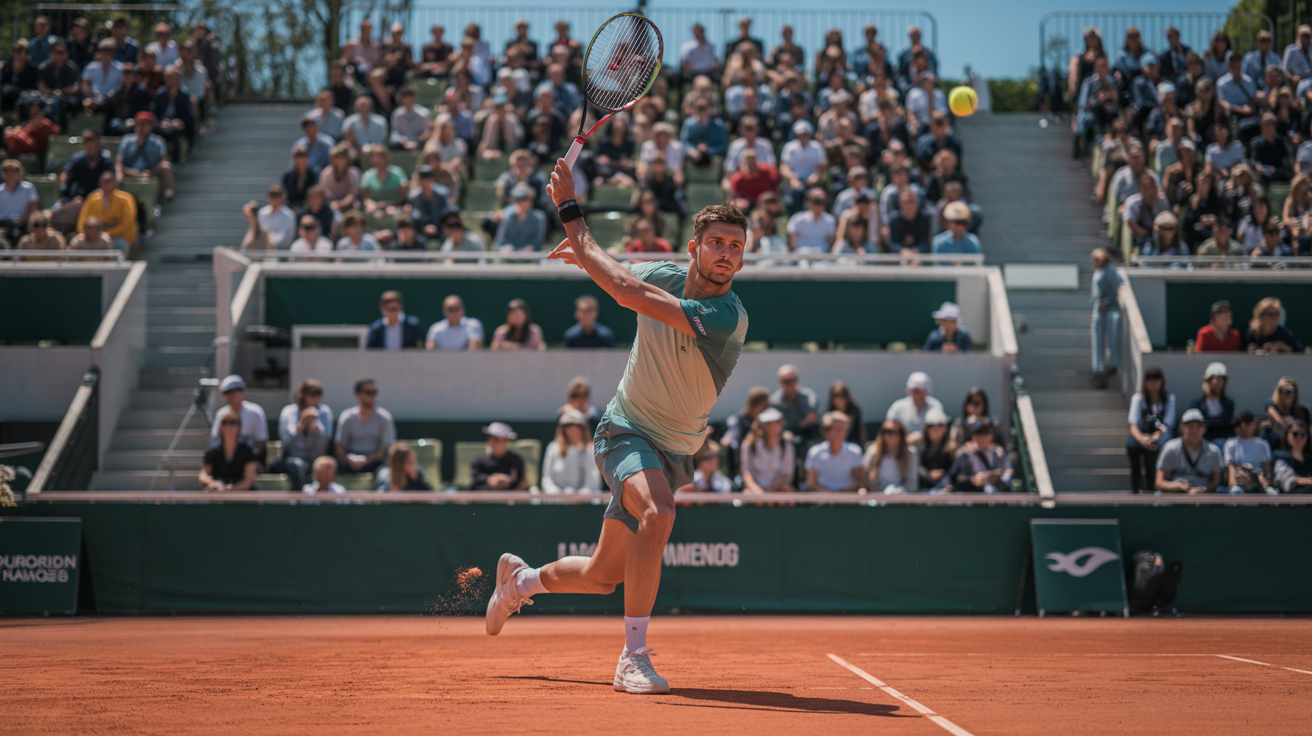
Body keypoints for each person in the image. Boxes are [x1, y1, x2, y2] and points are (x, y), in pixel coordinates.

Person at [485, 155, 750, 695]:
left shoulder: (728, 317)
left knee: (604, 577)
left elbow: (626, 290)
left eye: (736, 246)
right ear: (695, 247)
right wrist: (585, 252)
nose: (726, 253)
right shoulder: (662, 274)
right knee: (659, 513)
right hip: (624, 429)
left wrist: (572, 216)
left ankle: (520, 582)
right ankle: (633, 658)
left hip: (674, 449)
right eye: (718, 242)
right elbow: (620, 274)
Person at [272, 378, 333, 490]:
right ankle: (297, 504)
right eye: (312, 394)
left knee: (326, 467)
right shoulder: (289, 411)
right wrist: (301, 425)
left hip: (315, 460)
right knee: (297, 467)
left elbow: (324, 445)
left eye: (319, 394)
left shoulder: (324, 412)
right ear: (303, 395)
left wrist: (316, 430)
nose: (316, 397)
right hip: (291, 460)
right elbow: (286, 444)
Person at [1126, 366, 1176, 494]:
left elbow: (1168, 423)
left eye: (1156, 378)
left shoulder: (1169, 399)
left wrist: (1155, 436)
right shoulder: (1138, 398)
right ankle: (1135, 488)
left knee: (1155, 447)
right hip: (1142, 434)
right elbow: (1133, 424)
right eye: (1149, 378)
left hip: (1161, 434)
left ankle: (1151, 488)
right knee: (1132, 445)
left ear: (1162, 380)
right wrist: (1142, 438)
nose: (1152, 382)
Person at [334, 378, 395, 477]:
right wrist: (348, 460)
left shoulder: (384, 417)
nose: (372, 396)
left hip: (376, 464)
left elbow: (385, 448)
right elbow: (340, 446)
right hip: (349, 463)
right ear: (357, 394)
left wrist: (366, 460)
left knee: (385, 475)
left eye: (374, 392)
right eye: (368, 392)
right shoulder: (347, 417)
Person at [1154, 408, 1223, 493]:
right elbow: (1159, 482)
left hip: (1203, 492)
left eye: (1198, 426)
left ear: (1204, 428)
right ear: (1181, 428)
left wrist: (1203, 489)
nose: (1194, 430)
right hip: (1175, 492)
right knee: (1159, 496)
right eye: (1189, 426)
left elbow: (1216, 481)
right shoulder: (1170, 448)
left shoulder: (1214, 451)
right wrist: (1178, 486)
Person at [938, 419, 1012, 493]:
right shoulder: (965, 453)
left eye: (985, 432)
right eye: (978, 433)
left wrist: (996, 476)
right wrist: (972, 479)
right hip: (973, 494)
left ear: (991, 436)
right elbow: (956, 476)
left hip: (996, 494)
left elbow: (1008, 472)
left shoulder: (997, 451)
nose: (982, 436)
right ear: (973, 436)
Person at [541, 410, 601, 494]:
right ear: (562, 428)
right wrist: (559, 495)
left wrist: (578, 497)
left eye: (577, 425)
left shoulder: (590, 449)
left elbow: (592, 482)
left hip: (583, 501)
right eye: (568, 425)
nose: (573, 429)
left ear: (583, 428)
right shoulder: (553, 448)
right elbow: (547, 480)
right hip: (556, 500)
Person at [804, 411, 866, 492]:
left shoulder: (855, 451)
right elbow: (811, 484)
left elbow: (859, 480)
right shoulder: (815, 452)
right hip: (822, 499)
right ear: (826, 432)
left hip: (848, 497)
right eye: (838, 430)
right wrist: (829, 494)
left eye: (844, 430)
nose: (842, 433)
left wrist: (841, 493)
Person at [210, 374, 268, 458]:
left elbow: (260, 443)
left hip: (250, 457)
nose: (233, 395)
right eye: (228, 392)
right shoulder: (221, 413)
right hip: (227, 459)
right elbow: (215, 440)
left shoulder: (255, 412)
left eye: (237, 391)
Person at [739, 407, 795, 494]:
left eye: (778, 422)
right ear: (764, 424)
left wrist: (769, 491)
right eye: (770, 422)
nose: (774, 425)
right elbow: (747, 474)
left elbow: (787, 475)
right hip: (754, 492)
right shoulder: (749, 444)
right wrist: (759, 493)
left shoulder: (786, 445)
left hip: (778, 491)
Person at [199, 412, 257, 492]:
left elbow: (249, 480)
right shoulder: (212, 450)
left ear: (239, 427)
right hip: (219, 494)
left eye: (233, 423)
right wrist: (214, 483)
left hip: (242, 495)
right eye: (224, 423)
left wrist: (231, 489)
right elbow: (203, 475)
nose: (228, 427)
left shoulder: (247, 450)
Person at [1090, 248, 1122, 386]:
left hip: (1110, 309)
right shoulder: (1099, 272)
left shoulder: (1110, 270)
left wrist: (1107, 300)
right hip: (1099, 309)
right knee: (1097, 338)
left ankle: (1112, 364)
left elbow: (1117, 287)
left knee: (1112, 336)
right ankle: (1099, 368)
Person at [1223, 410, 1273, 494]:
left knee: (1272, 494)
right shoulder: (1230, 444)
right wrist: (1234, 483)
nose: (1244, 427)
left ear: (1254, 424)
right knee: (1236, 492)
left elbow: (1267, 470)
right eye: (1241, 424)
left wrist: (1266, 483)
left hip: (1258, 482)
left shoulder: (1263, 444)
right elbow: (1230, 470)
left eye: (1248, 423)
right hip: (1240, 483)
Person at [864, 419, 918, 494]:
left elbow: (912, 484)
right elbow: (864, 476)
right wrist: (875, 489)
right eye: (889, 432)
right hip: (877, 496)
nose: (893, 435)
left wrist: (899, 491)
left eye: (897, 432)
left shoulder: (910, 453)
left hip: (901, 497)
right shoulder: (873, 451)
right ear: (882, 434)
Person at [886, 371, 944, 441]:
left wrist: (922, 437)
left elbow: (939, 431)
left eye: (919, 391)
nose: (916, 394)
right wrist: (906, 440)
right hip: (902, 448)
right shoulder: (897, 407)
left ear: (927, 390)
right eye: (914, 390)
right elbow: (890, 430)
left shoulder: (935, 406)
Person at [1187, 362, 1235, 445]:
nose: (1216, 382)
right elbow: (1193, 423)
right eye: (1213, 379)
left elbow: (1227, 424)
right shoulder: (1197, 403)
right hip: (1201, 441)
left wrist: (1208, 423)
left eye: (1219, 379)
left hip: (1222, 442)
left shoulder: (1229, 403)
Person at [471, 422, 526, 490]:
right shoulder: (478, 460)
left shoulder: (516, 460)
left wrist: (508, 482)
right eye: (489, 438)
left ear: (506, 441)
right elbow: (474, 483)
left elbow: (521, 485)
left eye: (496, 439)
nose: (491, 442)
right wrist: (489, 480)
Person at [240, 185, 295, 251]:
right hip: (261, 250)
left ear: (282, 198)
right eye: (272, 194)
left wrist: (268, 238)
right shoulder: (262, 212)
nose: (275, 198)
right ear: (268, 196)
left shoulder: (289, 215)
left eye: (278, 195)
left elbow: (284, 240)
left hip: (279, 253)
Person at [770, 364, 819, 440]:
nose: (789, 384)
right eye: (786, 381)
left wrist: (801, 424)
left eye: (792, 380)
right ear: (780, 382)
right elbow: (773, 424)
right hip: (782, 439)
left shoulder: (808, 396)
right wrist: (784, 433)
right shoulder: (774, 401)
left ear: (797, 380)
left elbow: (812, 418)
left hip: (805, 436)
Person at [494, 183, 546, 251]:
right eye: (516, 199)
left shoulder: (539, 218)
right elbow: (500, 241)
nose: (520, 202)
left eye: (523, 199)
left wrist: (530, 247)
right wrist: (507, 247)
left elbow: (538, 241)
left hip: (530, 258)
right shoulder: (507, 215)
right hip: (509, 258)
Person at [1264, 377, 1312, 450]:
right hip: (1278, 445)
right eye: (1284, 391)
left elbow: (1309, 430)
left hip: (1299, 446)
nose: (1287, 394)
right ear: (1279, 393)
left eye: (1290, 390)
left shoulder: (1303, 410)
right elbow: (1279, 422)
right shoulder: (1271, 406)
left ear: (1295, 393)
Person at [0, 159, 39, 244]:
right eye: (6, 170)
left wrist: (22, 219)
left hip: (21, 223)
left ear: (19, 173)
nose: (10, 173)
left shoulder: (28, 188)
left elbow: (33, 209)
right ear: (3, 174)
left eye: (14, 170)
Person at [917, 407, 954, 490]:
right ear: (926, 428)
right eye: (931, 425)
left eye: (940, 425)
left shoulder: (953, 448)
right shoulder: (919, 446)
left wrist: (946, 478)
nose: (936, 429)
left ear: (945, 427)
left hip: (947, 489)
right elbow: (917, 467)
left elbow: (954, 471)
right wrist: (928, 474)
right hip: (925, 488)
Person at [1273, 420, 1312, 492]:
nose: (1299, 437)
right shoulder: (1281, 458)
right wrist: (1307, 480)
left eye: (1302, 434)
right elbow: (1286, 481)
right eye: (1295, 434)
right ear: (1287, 435)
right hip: (1291, 500)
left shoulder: (1310, 459)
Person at [825, 381, 865, 447]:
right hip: (834, 447)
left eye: (842, 395)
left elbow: (860, 431)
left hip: (852, 445)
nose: (839, 398)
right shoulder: (829, 412)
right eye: (836, 395)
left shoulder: (854, 410)